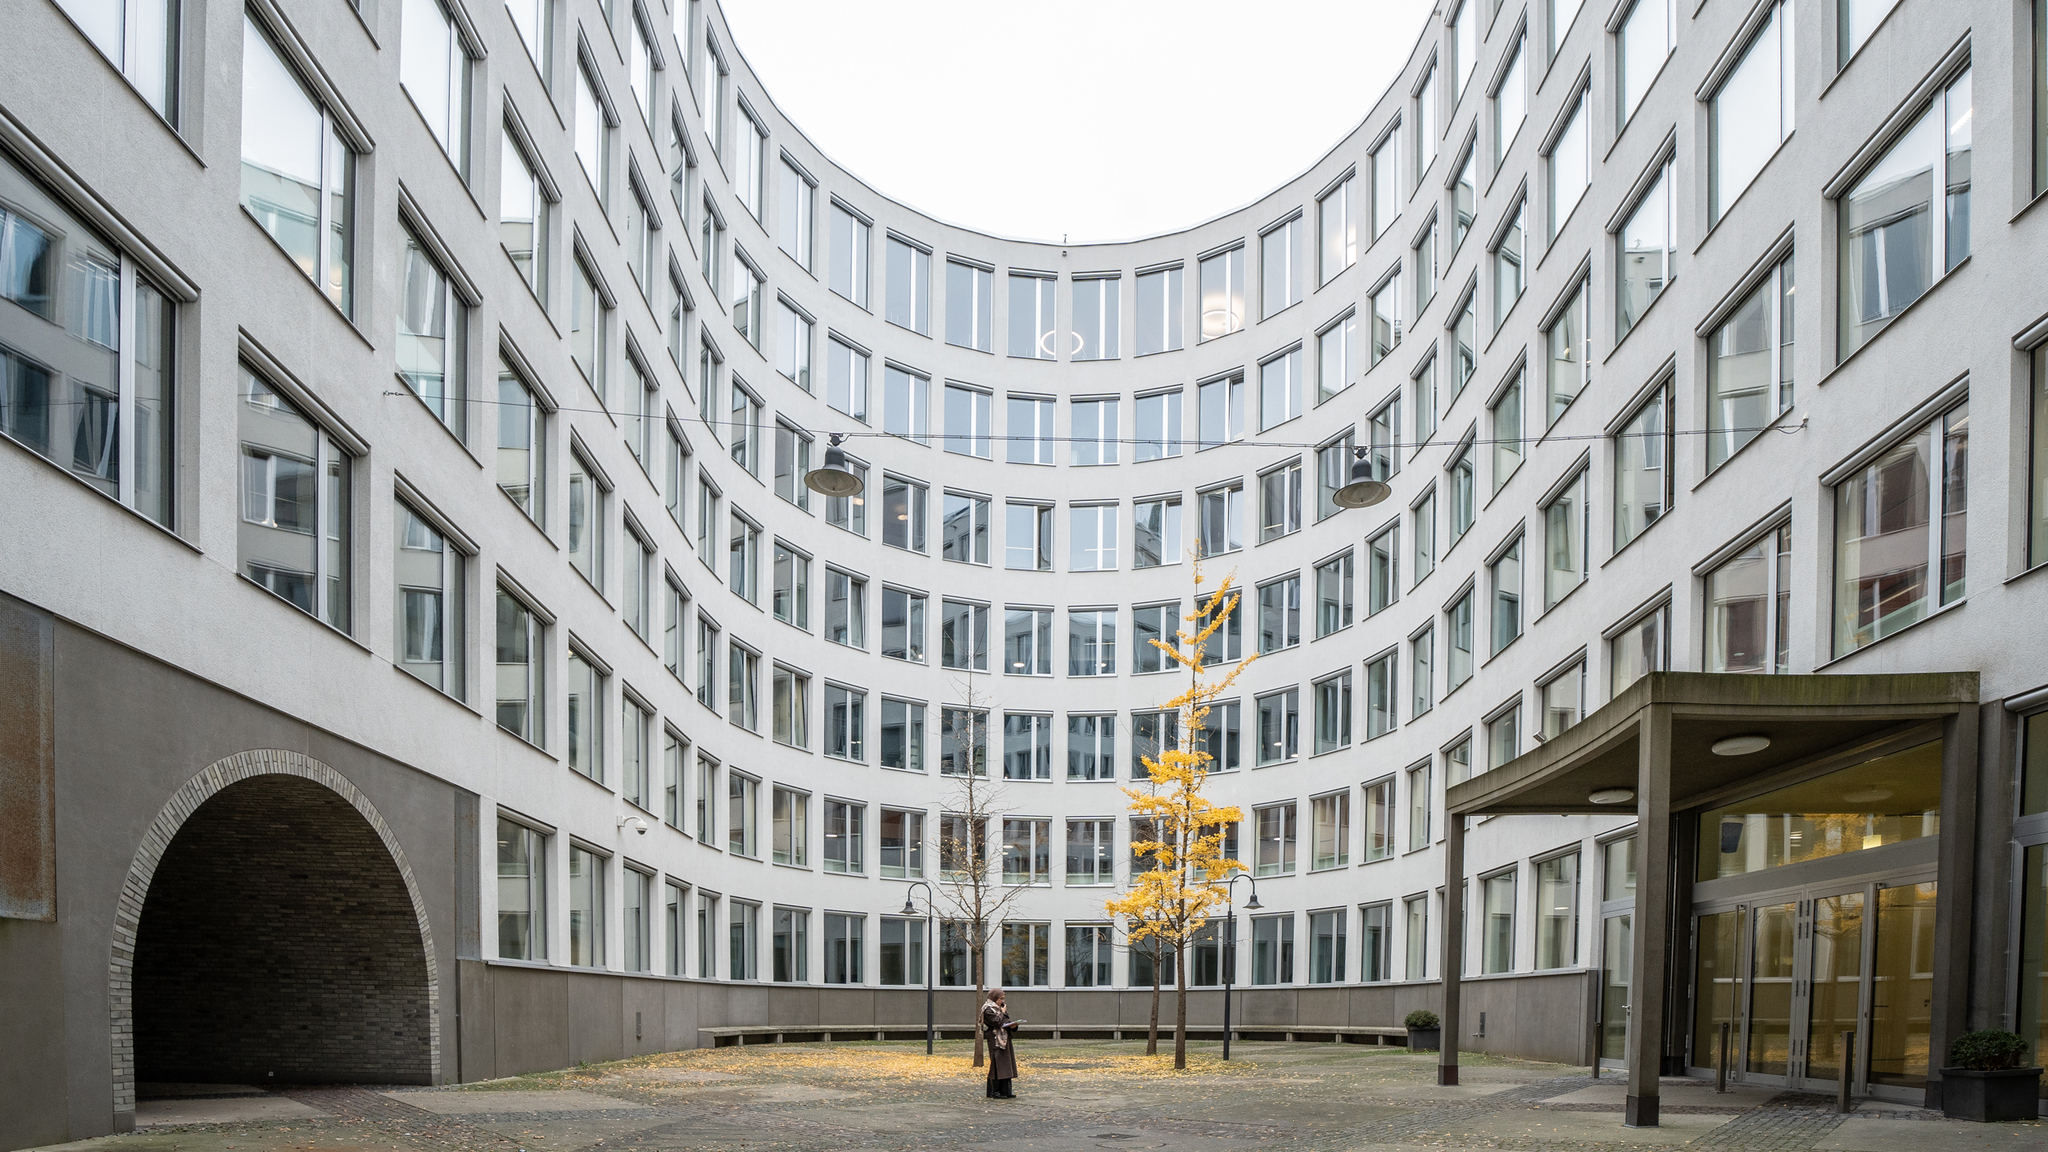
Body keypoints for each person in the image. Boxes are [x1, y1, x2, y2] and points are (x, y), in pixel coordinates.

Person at [982, 988, 1019, 1098]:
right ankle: (995, 1091)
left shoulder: (1000, 1008)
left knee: (1006, 1064)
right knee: (997, 1064)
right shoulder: (987, 1009)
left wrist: (1012, 1026)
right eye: (1000, 999)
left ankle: (1006, 1091)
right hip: (995, 1040)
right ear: (994, 998)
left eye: (1003, 999)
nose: (1002, 1001)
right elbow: (996, 1022)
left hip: (1005, 1038)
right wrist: (1002, 1013)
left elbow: (1005, 1022)